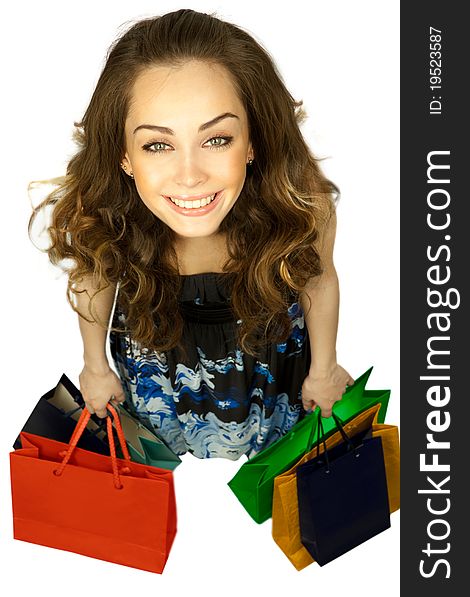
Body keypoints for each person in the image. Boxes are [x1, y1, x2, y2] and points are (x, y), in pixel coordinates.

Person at [28, 8, 354, 461]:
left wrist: (324, 368)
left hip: (271, 361)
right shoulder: (106, 209)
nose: (189, 177)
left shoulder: (301, 203)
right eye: (157, 145)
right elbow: (94, 277)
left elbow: (319, 278)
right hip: (159, 357)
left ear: (253, 140)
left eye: (217, 139)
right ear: (124, 155)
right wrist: (94, 366)